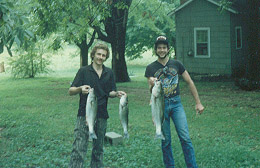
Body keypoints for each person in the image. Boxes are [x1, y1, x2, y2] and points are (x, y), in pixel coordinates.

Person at [145, 35, 204, 168]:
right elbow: (152, 93)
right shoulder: (150, 68)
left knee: (185, 138)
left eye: (164, 47)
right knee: (165, 141)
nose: (161, 50)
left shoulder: (177, 64)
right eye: (159, 48)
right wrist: (150, 84)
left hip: (176, 104)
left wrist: (198, 102)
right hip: (161, 105)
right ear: (156, 49)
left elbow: (189, 82)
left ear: (168, 49)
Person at [68, 43, 126, 168]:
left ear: (106, 57)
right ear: (93, 55)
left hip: (102, 115)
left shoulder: (109, 73)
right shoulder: (83, 71)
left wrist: (116, 93)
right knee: (79, 148)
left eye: (104, 55)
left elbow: (109, 92)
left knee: (98, 150)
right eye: (98, 54)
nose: (101, 57)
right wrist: (80, 88)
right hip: (84, 115)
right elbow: (70, 90)